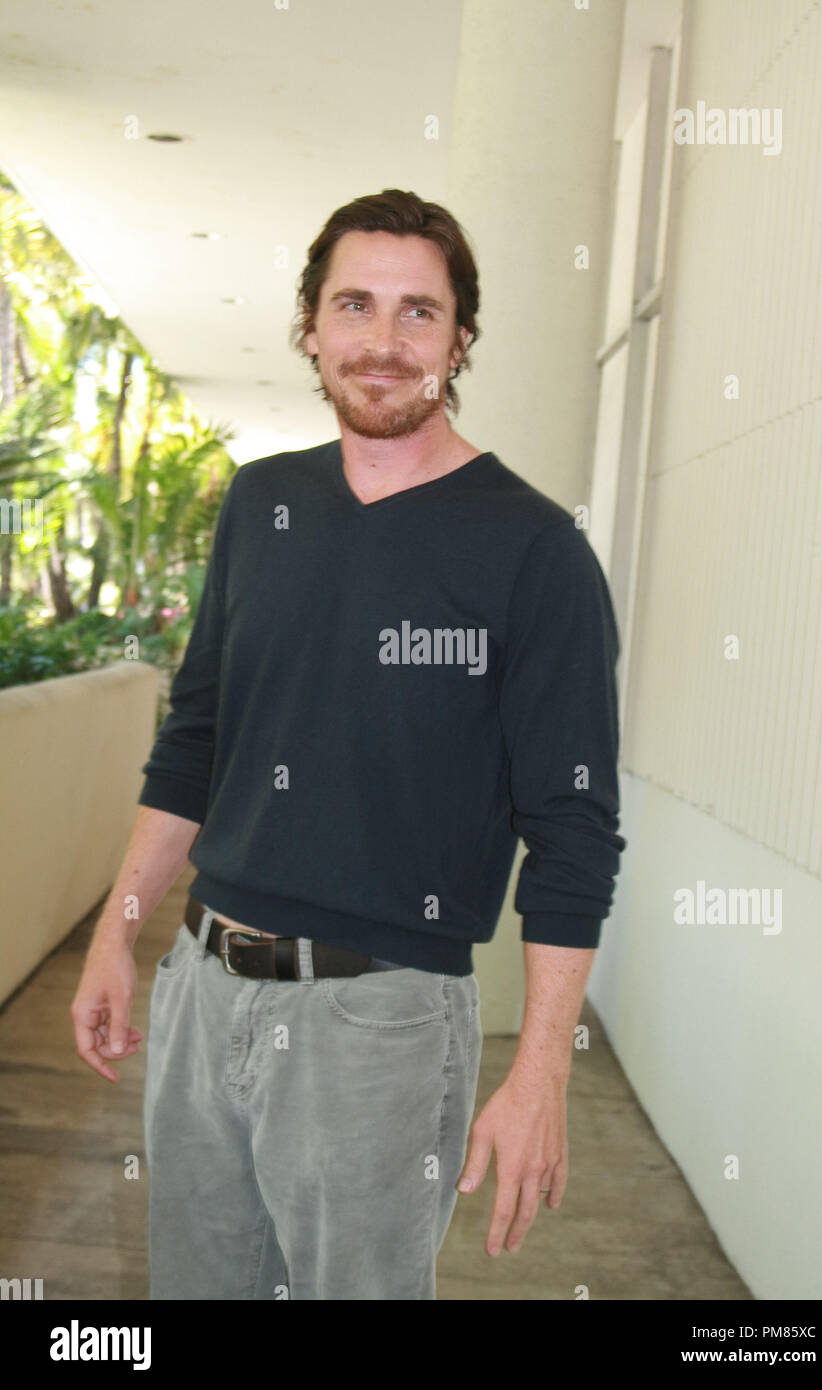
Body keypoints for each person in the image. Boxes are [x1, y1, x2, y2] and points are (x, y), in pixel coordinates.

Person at [71, 188, 626, 1301]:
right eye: (354, 305)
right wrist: (118, 932)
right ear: (311, 326)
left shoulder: (532, 551)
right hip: (202, 986)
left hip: (378, 1021)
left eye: (417, 312)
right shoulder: (262, 502)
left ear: (459, 338)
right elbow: (197, 739)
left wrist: (539, 1075)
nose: (382, 341)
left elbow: (571, 828)